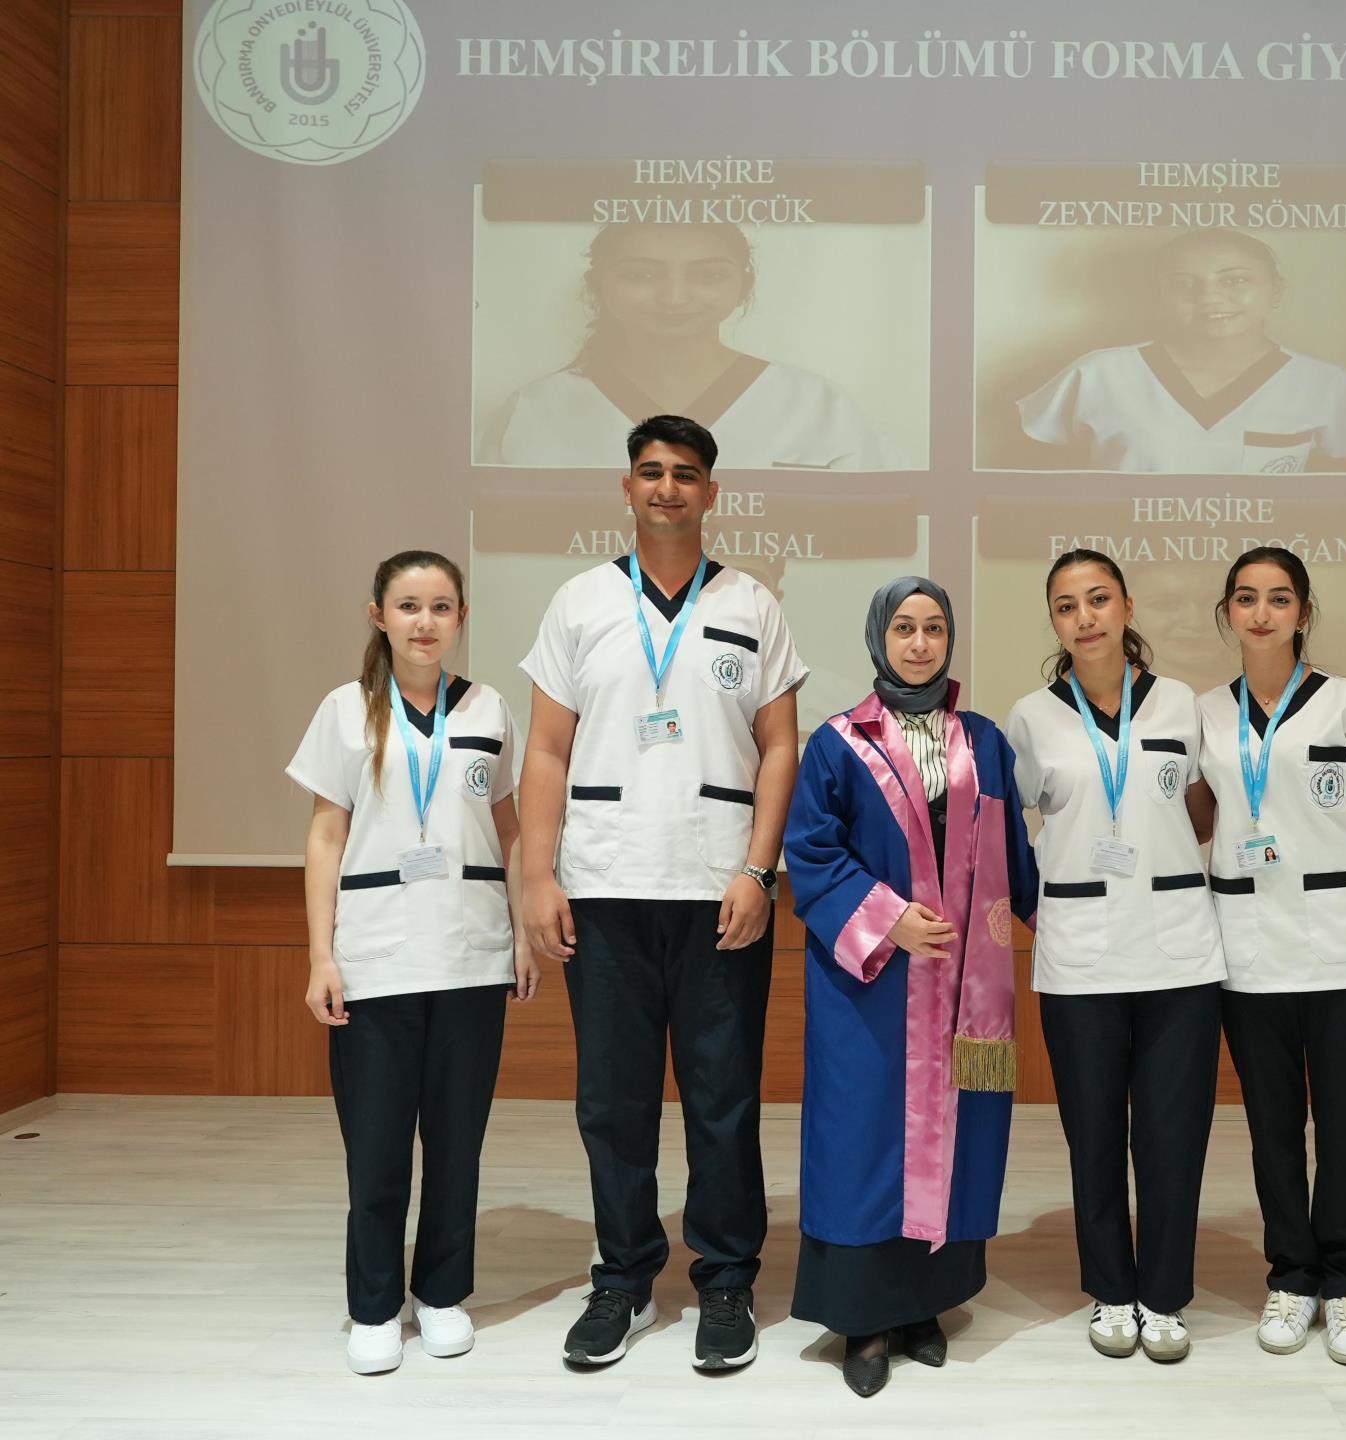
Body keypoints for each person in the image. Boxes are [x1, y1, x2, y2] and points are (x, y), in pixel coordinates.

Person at [519, 414, 807, 1373]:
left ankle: (725, 1281)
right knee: (613, 1101)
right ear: (627, 487)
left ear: (711, 492)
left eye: (686, 473)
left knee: (723, 1097)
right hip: (604, 885)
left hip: (721, 890)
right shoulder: (579, 602)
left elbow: (779, 746)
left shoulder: (752, 603)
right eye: (651, 472)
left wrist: (759, 871)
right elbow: (547, 751)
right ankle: (624, 1276)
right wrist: (538, 875)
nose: (668, 487)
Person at [784, 578, 1040, 1397]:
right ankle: (863, 1318)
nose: (921, 643)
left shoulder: (983, 740)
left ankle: (924, 1302)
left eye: (934, 628)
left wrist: (1047, 918)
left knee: (957, 1133)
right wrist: (888, 919)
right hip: (870, 986)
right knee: (862, 1138)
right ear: (879, 639)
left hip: (965, 983)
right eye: (904, 628)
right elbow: (811, 851)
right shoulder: (837, 742)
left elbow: (1013, 849)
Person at [288, 550, 536, 1376]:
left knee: (457, 1143)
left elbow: (507, 828)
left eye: (440, 606)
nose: (425, 622)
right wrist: (321, 955)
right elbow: (326, 835)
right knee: (377, 1146)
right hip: (376, 958)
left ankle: (441, 1294)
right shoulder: (345, 710)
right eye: (408, 606)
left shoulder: (489, 707)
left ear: (461, 617)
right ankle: (372, 1308)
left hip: (470, 956)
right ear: (379, 617)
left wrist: (521, 934)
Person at [1002, 548, 1226, 1364]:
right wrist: (1045, 906)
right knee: (1093, 1133)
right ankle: (1111, 1290)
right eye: (1067, 606)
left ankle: (1164, 1296)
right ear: (1054, 622)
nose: (1085, 617)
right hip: (1080, 955)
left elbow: (1202, 813)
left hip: (1179, 952)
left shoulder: (1182, 704)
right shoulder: (1031, 717)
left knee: (1173, 1134)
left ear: (1127, 607)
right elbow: (1009, 831)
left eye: (1098, 599)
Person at [1188, 545, 1346, 1367]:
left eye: (1280, 598)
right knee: (1272, 1128)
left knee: (1345, 1125)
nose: (1262, 613)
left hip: (1343, 944)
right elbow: (1198, 818)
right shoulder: (1205, 713)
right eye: (1246, 598)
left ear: (1304, 613)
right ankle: (1292, 1275)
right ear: (1227, 613)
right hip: (1246, 951)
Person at [481, 221, 908, 471]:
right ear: (598, 286)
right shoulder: (534, 412)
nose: (674, 297)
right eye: (641, 275)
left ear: (743, 287)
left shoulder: (814, 406)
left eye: (708, 275)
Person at [1016, 230, 1346, 474]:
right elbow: (1040, 492)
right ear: (1160, 295)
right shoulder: (1099, 373)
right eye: (1184, 284)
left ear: (1276, 290)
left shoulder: (1328, 385)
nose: (1210, 297)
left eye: (1235, 280)